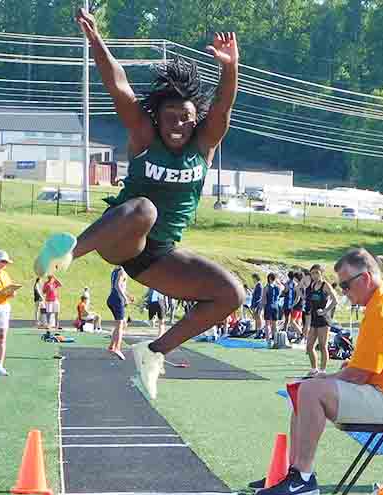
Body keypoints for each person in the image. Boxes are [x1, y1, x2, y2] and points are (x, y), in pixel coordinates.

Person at [33, 10, 241, 400]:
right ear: (157, 120)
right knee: (146, 208)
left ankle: (153, 351)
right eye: (170, 118)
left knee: (232, 294)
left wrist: (230, 68)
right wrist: (96, 41)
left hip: (159, 256)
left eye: (186, 118)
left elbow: (224, 107)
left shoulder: (204, 146)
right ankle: (67, 253)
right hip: (121, 234)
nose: (178, 125)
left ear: (196, 121)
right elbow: (118, 85)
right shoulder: (145, 137)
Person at [253, 248, 383, 495]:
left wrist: (324, 378)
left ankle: (302, 478)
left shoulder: (382, 309)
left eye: (346, 285)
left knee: (310, 390)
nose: (344, 291)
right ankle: (294, 472)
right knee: (303, 390)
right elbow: (363, 368)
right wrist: (330, 376)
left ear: (365, 279)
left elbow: (360, 375)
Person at [304, 264, 337, 378]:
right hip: (314, 319)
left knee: (323, 346)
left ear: (321, 273)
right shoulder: (312, 285)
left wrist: (325, 310)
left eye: (316, 273)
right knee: (309, 346)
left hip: (323, 320)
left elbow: (335, 299)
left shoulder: (325, 285)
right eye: (312, 273)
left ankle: (323, 370)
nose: (314, 275)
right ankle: (314, 369)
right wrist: (307, 323)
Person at [107, 266, 129, 360]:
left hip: (111, 298)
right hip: (117, 299)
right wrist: (125, 298)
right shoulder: (122, 271)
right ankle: (117, 348)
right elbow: (117, 285)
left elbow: (119, 287)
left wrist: (127, 295)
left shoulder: (114, 271)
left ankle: (111, 346)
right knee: (120, 325)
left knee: (119, 324)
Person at [263, 273, 283, 341]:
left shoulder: (266, 287)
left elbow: (264, 299)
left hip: (269, 306)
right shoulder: (278, 287)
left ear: (269, 278)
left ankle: (268, 339)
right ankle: (275, 339)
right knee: (274, 324)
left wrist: (263, 308)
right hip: (276, 306)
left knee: (267, 324)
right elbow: (282, 288)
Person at [250, 274, 265, 338]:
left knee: (259, 317)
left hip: (258, 305)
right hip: (255, 304)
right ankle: (257, 331)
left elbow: (259, 297)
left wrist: (255, 306)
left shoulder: (259, 285)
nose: (252, 280)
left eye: (253, 278)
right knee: (256, 318)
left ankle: (260, 330)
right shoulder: (257, 285)